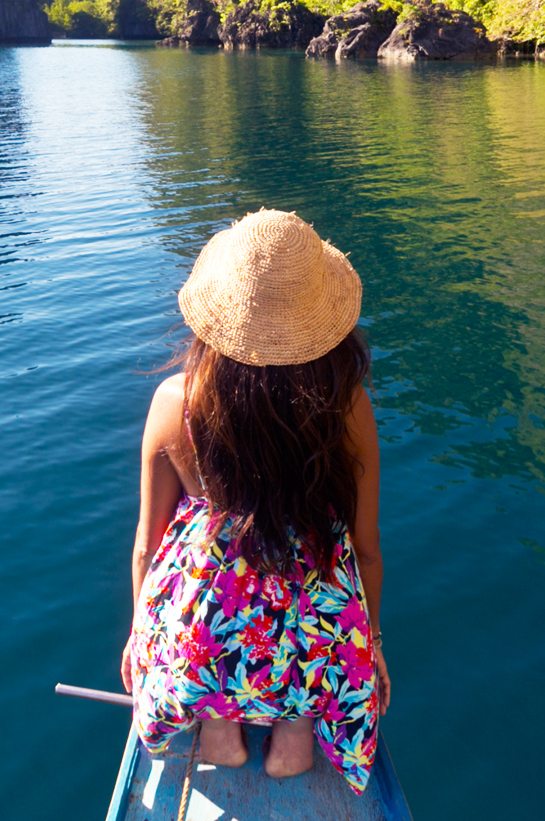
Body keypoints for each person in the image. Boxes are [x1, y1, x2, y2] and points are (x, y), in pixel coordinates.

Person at [122, 209, 390, 795]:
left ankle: (220, 725)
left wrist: (140, 634)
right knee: (313, 635)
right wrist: (370, 647)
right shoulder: (347, 407)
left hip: (203, 644)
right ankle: (293, 736)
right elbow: (366, 550)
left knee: (205, 626)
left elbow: (147, 543)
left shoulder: (175, 401)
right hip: (312, 648)